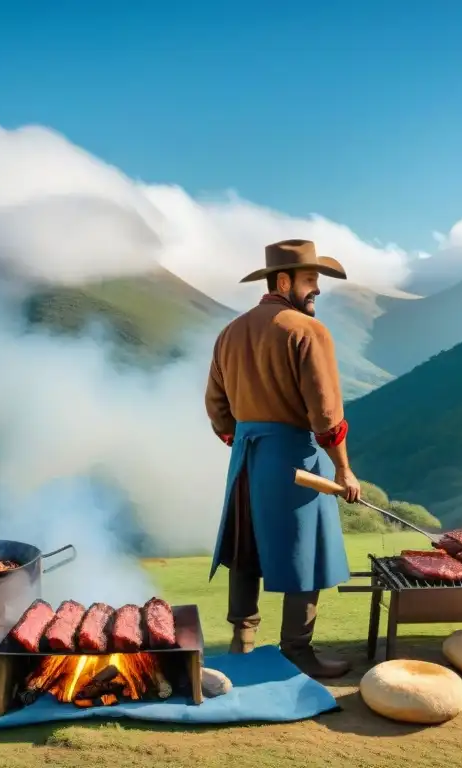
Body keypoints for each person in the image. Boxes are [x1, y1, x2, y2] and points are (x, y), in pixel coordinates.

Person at [204, 238, 362, 679]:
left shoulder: (229, 332)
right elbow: (327, 415)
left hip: (246, 460)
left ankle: (242, 645)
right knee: (305, 551)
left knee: (245, 547)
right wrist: (344, 468)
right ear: (284, 280)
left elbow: (217, 408)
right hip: (295, 458)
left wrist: (244, 438)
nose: (317, 289)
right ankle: (296, 650)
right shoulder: (309, 331)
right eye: (311, 280)